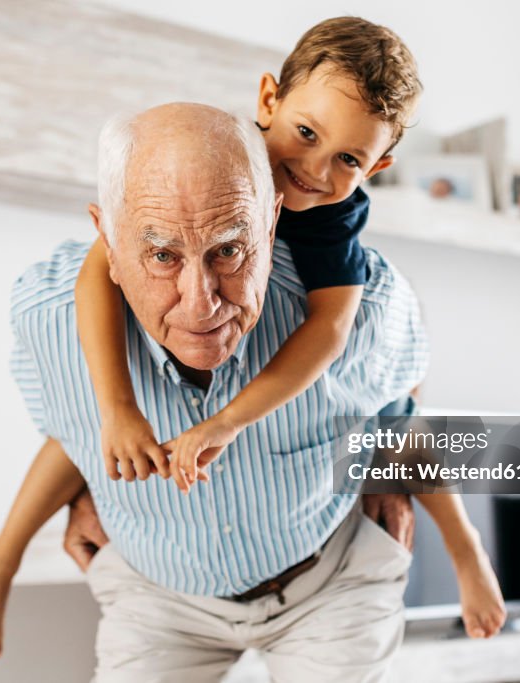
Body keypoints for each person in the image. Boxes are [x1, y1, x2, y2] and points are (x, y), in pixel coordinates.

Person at [0, 103, 505, 680]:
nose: (201, 303)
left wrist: (461, 545)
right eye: (163, 256)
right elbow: (69, 438)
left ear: (269, 224)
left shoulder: (363, 309)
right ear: (109, 243)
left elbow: (400, 413)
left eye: (228, 250)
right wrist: (7, 557)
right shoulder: (50, 322)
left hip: (330, 578)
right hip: (159, 598)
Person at [75, 17, 417, 491]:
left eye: (349, 159)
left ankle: (463, 547)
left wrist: (229, 421)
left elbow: (331, 329)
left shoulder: (335, 218)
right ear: (269, 101)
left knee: (401, 402)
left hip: (356, 405)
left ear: (376, 167)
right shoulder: (217, 158)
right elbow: (97, 270)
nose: (314, 170)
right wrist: (119, 409)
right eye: (307, 132)